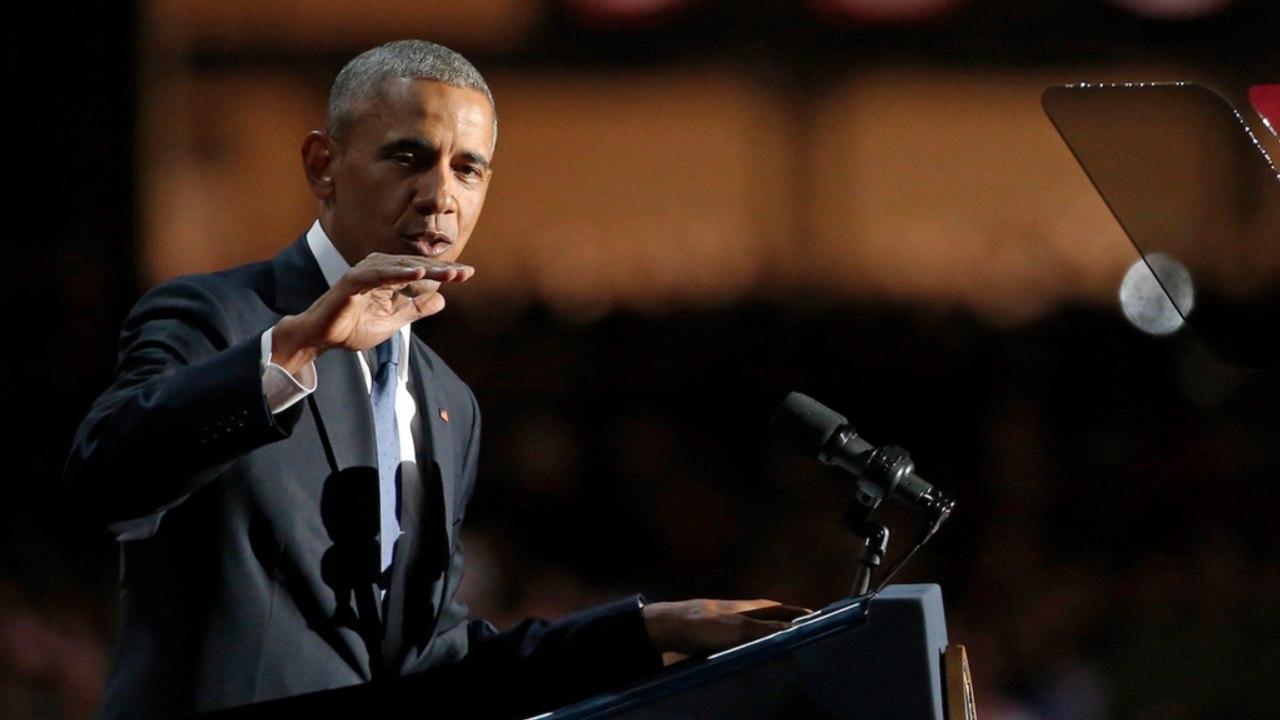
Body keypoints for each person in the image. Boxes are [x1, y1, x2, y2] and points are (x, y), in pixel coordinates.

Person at [66, 39, 801, 720]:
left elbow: (434, 664)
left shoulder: (449, 403)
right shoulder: (219, 315)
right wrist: (293, 349)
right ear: (323, 164)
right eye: (408, 157)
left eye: (467, 167)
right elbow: (104, 478)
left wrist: (651, 629)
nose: (439, 195)